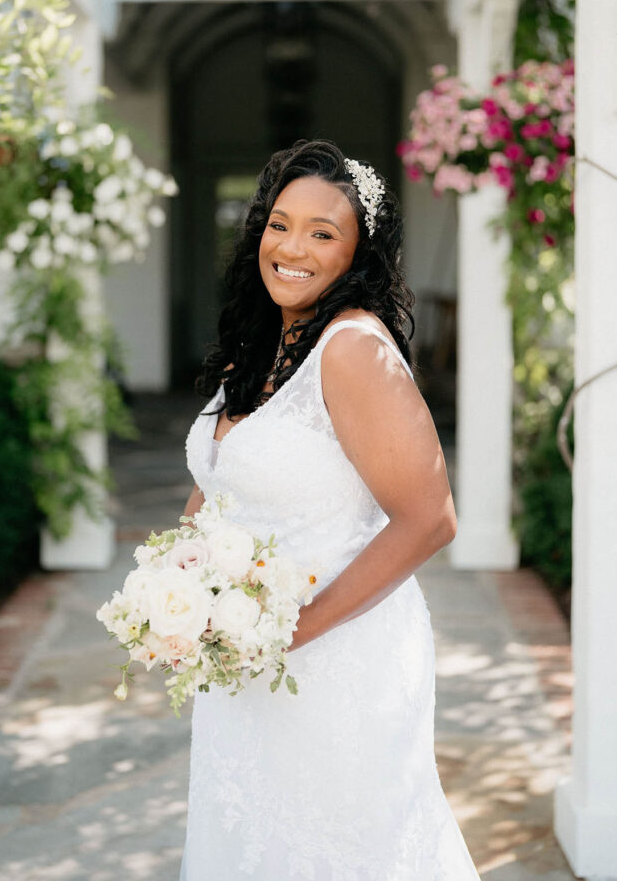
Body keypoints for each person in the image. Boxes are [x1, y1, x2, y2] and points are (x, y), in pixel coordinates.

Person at [180, 138, 481, 880]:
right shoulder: (255, 347)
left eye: (322, 233)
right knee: (247, 838)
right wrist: (179, 592)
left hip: (338, 657)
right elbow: (220, 480)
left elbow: (431, 517)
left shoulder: (351, 349)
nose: (292, 248)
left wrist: (294, 631)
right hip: (242, 656)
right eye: (280, 224)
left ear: (357, 253)